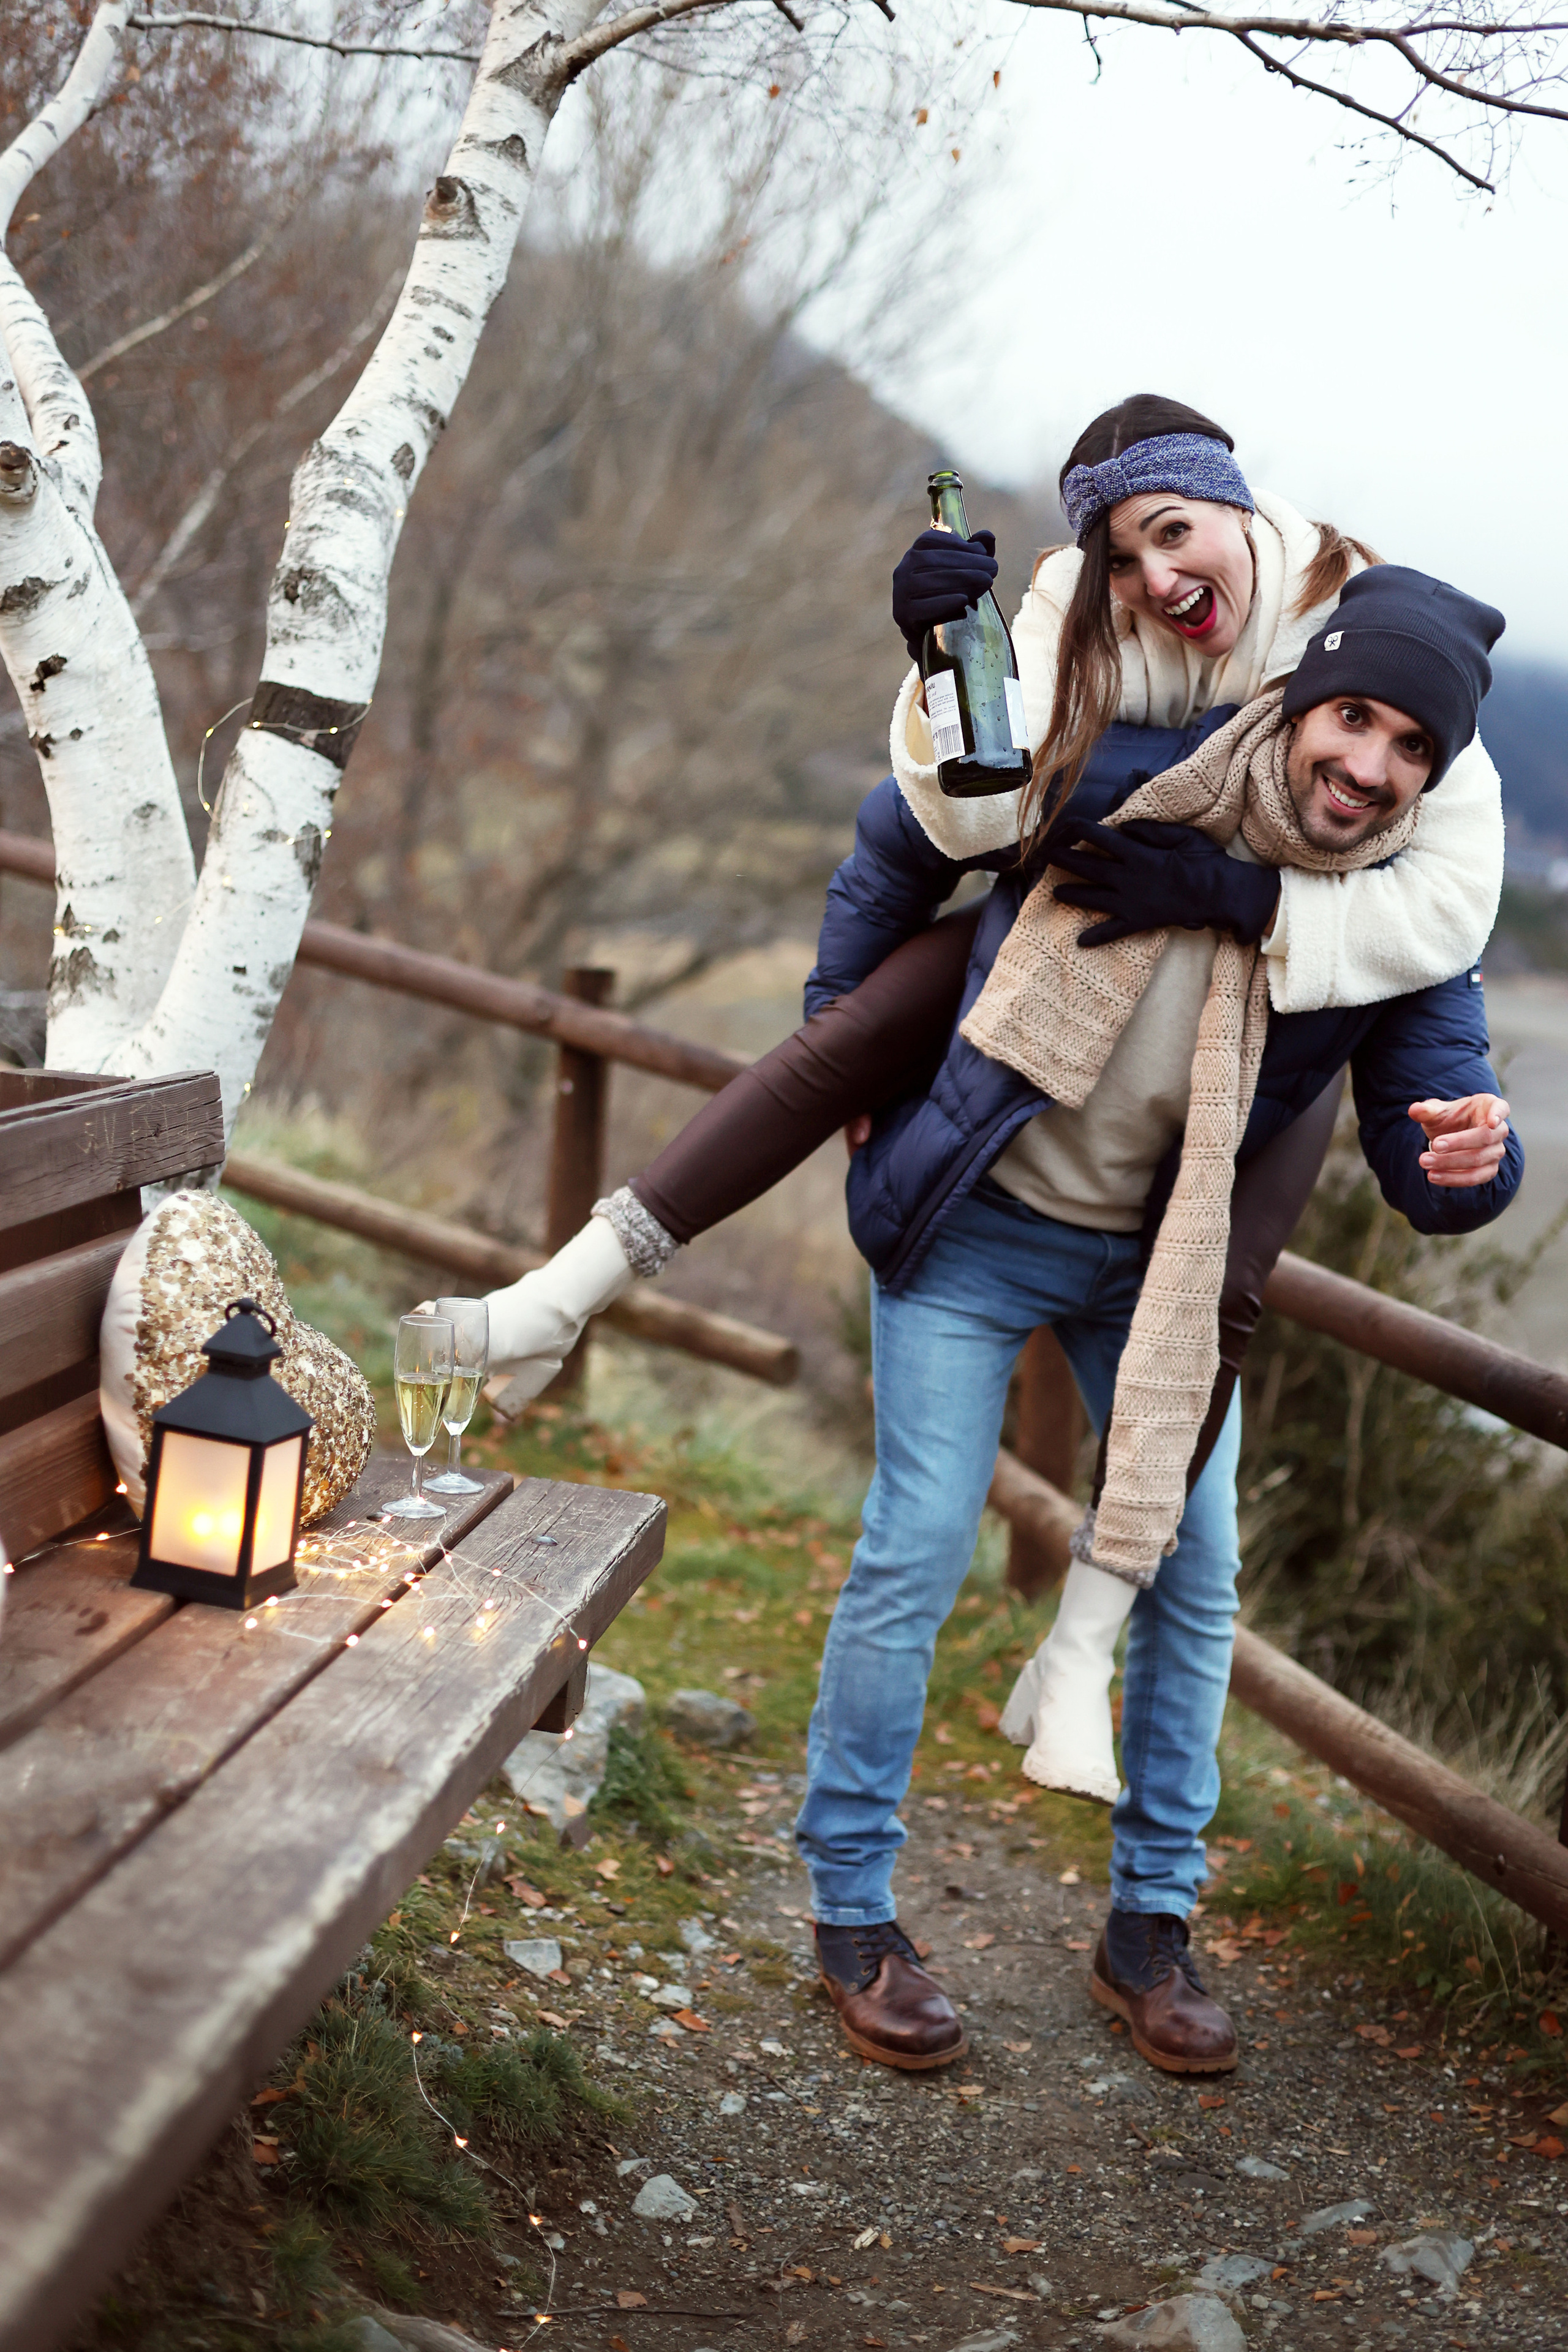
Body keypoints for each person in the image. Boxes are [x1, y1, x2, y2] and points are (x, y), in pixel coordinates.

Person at [473, 413, 1518, 2081]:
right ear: (1296, 700)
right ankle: (852, 1910)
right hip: (982, 1226)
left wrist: (1475, 1162)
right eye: (1352, 723)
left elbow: (1435, 1116)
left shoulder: (1392, 906)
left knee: (1198, 1579)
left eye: (1409, 747)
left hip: (1164, 1278)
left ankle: (1152, 1930)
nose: (1370, 766)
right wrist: (851, 1040)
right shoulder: (1102, 754)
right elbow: (916, 834)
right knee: (914, 1549)